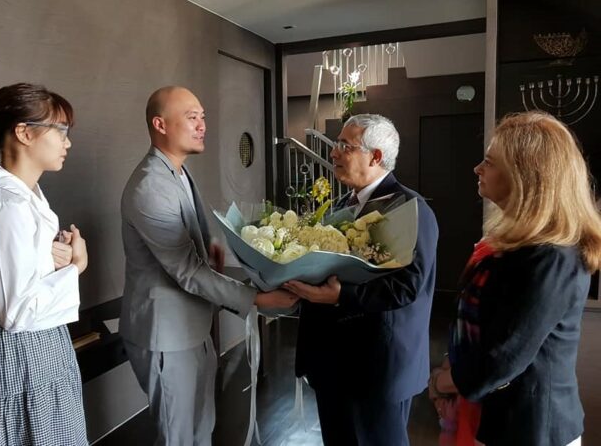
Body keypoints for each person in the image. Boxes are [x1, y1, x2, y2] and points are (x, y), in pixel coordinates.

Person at [120, 85, 298, 446]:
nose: (202, 125)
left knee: (202, 428)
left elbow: (194, 253)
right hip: (166, 333)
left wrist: (213, 251)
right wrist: (259, 300)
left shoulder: (179, 173)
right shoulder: (150, 186)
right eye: (191, 117)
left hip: (194, 326)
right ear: (160, 124)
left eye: (203, 117)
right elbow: (187, 271)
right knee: (180, 436)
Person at [430, 111, 600, 446]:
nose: (478, 169)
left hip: (531, 430)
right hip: (501, 419)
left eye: (490, 162)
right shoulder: (519, 245)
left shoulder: (552, 256)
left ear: (526, 176)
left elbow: (500, 360)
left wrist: (440, 383)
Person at [284, 114, 439, 446]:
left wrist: (342, 296)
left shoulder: (410, 209)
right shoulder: (340, 207)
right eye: (336, 145)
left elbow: (410, 285)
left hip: (376, 367)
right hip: (333, 365)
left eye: (344, 146)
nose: (334, 153)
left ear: (376, 156)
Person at [0, 83, 89, 445]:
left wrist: (54, 261)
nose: (67, 142)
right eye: (61, 131)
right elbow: (15, 312)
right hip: (19, 355)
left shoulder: (24, 198)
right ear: (24, 132)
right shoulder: (3, 206)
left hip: (42, 348)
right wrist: (75, 266)